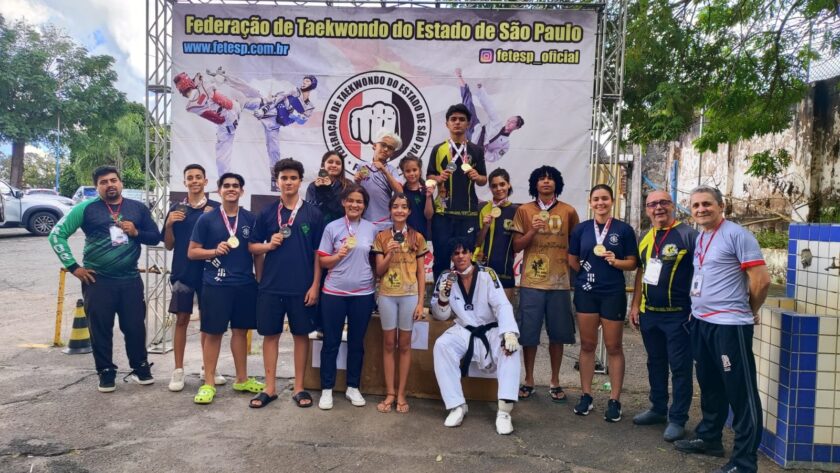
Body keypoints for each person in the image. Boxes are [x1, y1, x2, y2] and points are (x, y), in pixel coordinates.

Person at [673, 186, 770, 473]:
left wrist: (749, 310)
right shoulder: (702, 237)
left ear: (721, 206)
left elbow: (761, 280)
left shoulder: (737, 235)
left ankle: (744, 462)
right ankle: (709, 438)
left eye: (707, 204)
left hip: (729, 326)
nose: (701, 209)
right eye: (695, 205)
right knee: (710, 385)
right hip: (702, 322)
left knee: (741, 393)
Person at [49, 166, 161, 392]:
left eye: (113, 180)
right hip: (97, 281)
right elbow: (56, 235)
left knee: (135, 327)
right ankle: (106, 372)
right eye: (103, 182)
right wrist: (74, 268)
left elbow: (155, 237)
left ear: (120, 183)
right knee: (100, 328)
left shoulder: (137, 208)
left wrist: (136, 232)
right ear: (96, 186)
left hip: (130, 280)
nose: (110, 185)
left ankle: (140, 367)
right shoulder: (85, 208)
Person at [248, 159, 324, 408]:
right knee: (270, 336)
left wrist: (315, 285)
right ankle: (269, 388)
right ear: (277, 181)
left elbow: (318, 253)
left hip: (302, 287)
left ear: (300, 181)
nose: (288, 182)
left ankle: (299, 387)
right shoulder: (267, 212)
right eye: (284, 178)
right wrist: (268, 247)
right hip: (271, 286)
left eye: (293, 178)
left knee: (301, 336)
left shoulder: (313, 214)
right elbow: (252, 247)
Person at [430, 237, 521, 434]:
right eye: (456, 253)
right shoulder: (446, 278)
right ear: (451, 257)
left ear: (471, 254)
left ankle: (504, 412)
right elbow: (440, 315)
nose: (461, 256)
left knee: (510, 349)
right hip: (464, 329)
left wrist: (509, 332)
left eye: (464, 252)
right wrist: (443, 298)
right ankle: (457, 405)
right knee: (442, 345)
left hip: (491, 330)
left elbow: (502, 304)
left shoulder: (487, 274)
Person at [188, 173, 264, 404]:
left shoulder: (251, 218)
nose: (231, 189)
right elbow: (192, 252)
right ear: (219, 190)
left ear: (242, 191)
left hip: (244, 285)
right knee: (213, 333)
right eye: (227, 185)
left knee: (240, 332)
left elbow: (257, 252)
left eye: (235, 186)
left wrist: (260, 281)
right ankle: (208, 383)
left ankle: (241, 379)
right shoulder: (207, 219)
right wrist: (214, 251)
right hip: (215, 284)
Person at [629, 190, 697, 441]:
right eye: (652, 204)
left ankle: (677, 418)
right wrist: (635, 305)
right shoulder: (645, 237)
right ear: (647, 209)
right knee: (655, 363)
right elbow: (641, 272)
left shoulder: (688, 236)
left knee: (680, 368)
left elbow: (702, 272)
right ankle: (658, 409)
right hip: (650, 314)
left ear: (672, 206)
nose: (658, 208)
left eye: (663, 203)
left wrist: (696, 308)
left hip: (679, 315)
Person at [568, 184, 638, 422]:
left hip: (612, 293)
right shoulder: (581, 229)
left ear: (612, 201)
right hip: (586, 292)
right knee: (587, 345)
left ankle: (614, 400)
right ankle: (586, 395)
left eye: (605, 198)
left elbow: (632, 263)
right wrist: (586, 275)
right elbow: (572, 259)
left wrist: (615, 262)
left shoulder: (623, 229)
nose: (600, 203)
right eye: (596, 199)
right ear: (590, 203)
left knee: (614, 346)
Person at [510, 165, 579, 403]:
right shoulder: (524, 210)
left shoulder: (569, 211)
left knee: (557, 335)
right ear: (535, 184)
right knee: (528, 335)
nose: (546, 182)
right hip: (532, 281)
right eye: (541, 179)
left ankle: (555, 381)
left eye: (550, 179)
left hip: (560, 282)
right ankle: (529, 379)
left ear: (557, 183)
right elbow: (517, 246)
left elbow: (576, 246)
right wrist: (532, 230)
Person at [316, 185, 378, 410]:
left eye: (359, 201)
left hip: (363, 294)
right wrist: (337, 255)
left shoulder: (372, 229)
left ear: (364, 206)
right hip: (334, 293)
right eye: (350, 200)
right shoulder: (332, 227)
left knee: (356, 343)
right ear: (343, 202)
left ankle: (353, 386)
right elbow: (322, 261)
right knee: (330, 342)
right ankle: (327, 388)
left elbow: (376, 261)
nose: (354, 204)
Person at [163, 164, 222, 392]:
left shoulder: (216, 209)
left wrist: (212, 220)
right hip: (183, 272)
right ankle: (178, 370)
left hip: (209, 272)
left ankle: (208, 368)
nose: (194, 181)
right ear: (184, 182)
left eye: (198, 177)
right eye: (190, 178)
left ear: (205, 182)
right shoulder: (176, 209)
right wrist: (169, 224)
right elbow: (169, 245)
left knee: (209, 322)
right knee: (181, 320)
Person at [372, 193, 428, 414]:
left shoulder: (417, 238)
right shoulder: (382, 237)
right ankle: (390, 393)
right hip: (387, 295)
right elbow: (379, 270)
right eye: (395, 206)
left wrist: (420, 302)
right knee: (388, 344)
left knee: (404, 345)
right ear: (390, 210)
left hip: (409, 295)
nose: (399, 210)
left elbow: (422, 272)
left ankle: (402, 394)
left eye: (404, 207)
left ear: (409, 211)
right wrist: (389, 252)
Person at [221, 70, 317, 184]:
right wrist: (264, 109)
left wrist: (293, 112)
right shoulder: (294, 91)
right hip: (269, 107)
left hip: (274, 124)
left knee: (274, 151)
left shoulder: (309, 106)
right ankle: (224, 79)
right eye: (304, 80)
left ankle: (275, 179)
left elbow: (302, 120)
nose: (304, 82)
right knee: (249, 95)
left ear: (312, 84)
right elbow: (278, 98)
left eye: (307, 81)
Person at [426, 103, 488, 281]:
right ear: (447, 124)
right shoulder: (438, 149)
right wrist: (438, 178)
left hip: (468, 213)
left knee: (465, 260)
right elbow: (429, 176)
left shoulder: (476, 150)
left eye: (462, 119)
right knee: (441, 258)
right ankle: (440, 296)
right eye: (453, 119)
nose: (457, 122)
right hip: (443, 214)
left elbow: (484, 179)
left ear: (468, 123)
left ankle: (464, 295)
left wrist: (477, 176)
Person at [173, 71, 245, 176]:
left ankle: (224, 180)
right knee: (222, 161)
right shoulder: (201, 85)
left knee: (222, 162)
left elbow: (217, 116)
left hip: (228, 122)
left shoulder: (192, 105)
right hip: (232, 112)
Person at [455, 68, 524, 163]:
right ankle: (459, 76)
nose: (509, 122)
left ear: (516, 127)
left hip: (476, 150)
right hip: (475, 131)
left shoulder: (505, 145)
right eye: (509, 120)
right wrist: (481, 91)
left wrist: (485, 152)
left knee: (462, 163)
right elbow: (489, 107)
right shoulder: (497, 122)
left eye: (513, 122)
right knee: (468, 104)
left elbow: (495, 157)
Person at [474, 168, 519, 301]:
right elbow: (476, 243)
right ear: (490, 188)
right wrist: (486, 227)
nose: (499, 189)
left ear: (508, 185)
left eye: (502, 184)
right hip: (483, 268)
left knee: (505, 311)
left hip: (505, 271)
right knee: (481, 311)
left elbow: (517, 244)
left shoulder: (516, 211)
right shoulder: (482, 208)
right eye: (494, 186)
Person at [354, 130, 404, 231]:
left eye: (390, 148)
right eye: (383, 145)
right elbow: (357, 191)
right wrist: (357, 182)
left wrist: (384, 171)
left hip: (384, 222)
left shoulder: (391, 170)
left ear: (392, 153)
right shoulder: (363, 166)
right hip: (364, 220)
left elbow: (400, 192)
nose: (386, 149)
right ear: (374, 146)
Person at [305, 150, 351, 226]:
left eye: (338, 163)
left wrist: (328, 190)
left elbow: (344, 211)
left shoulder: (348, 185)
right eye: (330, 162)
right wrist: (319, 190)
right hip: (319, 227)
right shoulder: (313, 186)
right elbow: (311, 211)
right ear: (323, 165)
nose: (334, 165)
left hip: (340, 227)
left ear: (342, 167)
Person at [398, 155, 434, 240]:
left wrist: (428, 197)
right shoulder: (401, 191)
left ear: (420, 171)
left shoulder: (426, 190)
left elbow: (429, 216)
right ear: (403, 173)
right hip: (404, 236)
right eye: (408, 171)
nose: (412, 173)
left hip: (422, 236)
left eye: (414, 170)